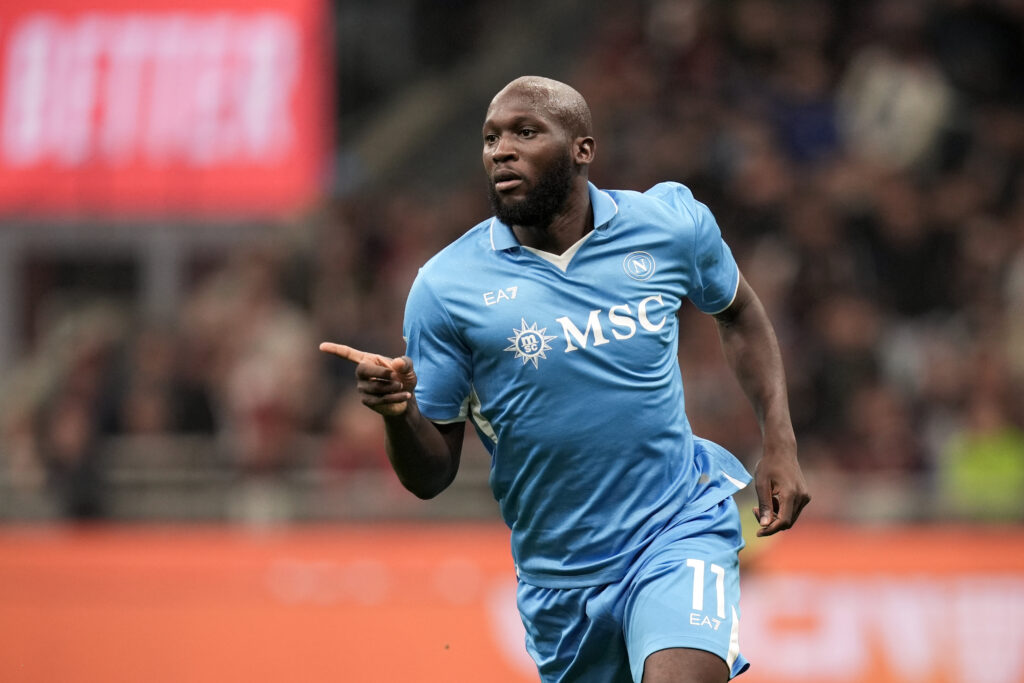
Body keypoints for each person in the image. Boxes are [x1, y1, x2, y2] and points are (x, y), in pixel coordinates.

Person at [321, 75, 810, 683]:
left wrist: (780, 444)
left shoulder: (669, 226)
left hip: (676, 528)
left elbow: (737, 311)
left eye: (526, 132)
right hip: (560, 580)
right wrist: (400, 414)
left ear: (582, 149)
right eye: (490, 138)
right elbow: (430, 476)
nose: (501, 149)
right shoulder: (446, 290)